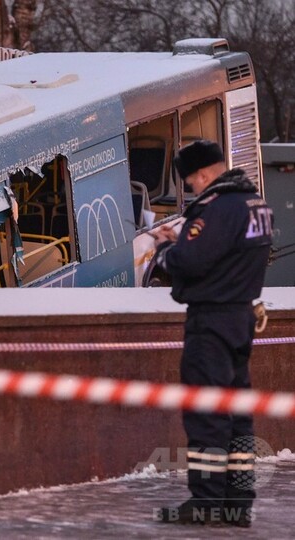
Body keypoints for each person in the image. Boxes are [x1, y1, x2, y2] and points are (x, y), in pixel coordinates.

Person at [152, 140, 273, 527]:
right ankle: (239, 501)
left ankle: (206, 501)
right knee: (238, 414)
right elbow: (226, 249)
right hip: (241, 318)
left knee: (207, 412)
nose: (192, 188)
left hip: (211, 322)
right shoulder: (256, 205)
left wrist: (168, 253)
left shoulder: (216, 208)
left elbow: (191, 260)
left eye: (190, 181)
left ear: (203, 174)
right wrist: (185, 237)